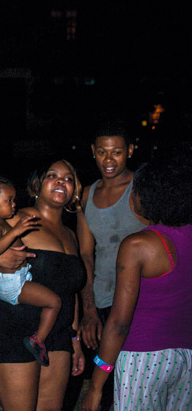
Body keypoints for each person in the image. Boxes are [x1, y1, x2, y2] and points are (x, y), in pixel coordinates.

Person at [0, 160, 86, 411]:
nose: (61, 181)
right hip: (12, 327)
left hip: (58, 334)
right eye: (52, 175)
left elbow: (70, 289)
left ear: (75, 189)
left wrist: (75, 339)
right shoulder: (14, 219)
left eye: (68, 178)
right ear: (37, 184)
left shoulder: (70, 235)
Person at [82, 154, 192, 411]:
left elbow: (119, 323)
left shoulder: (138, 245)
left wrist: (96, 385)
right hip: (187, 357)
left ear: (148, 196)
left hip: (143, 358)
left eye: (135, 190)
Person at [73, 120, 147, 409]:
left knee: (137, 384)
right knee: (106, 384)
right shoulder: (86, 195)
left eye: (116, 152)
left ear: (130, 150)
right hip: (103, 303)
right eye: (102, 152)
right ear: (93, 151)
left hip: (141, 303)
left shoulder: (142, 189)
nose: (109, 160)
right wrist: (89, 309)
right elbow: (86, 255)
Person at [0, 175, 62, 366]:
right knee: (54, 302)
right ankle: (38, 340)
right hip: (12, 283)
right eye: (9, 200)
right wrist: (16, 231)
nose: (14, 205)